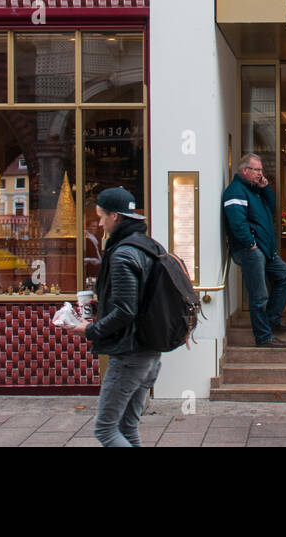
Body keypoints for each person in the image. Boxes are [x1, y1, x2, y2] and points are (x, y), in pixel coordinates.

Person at [70, 187, 161, 448]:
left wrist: (91, 330)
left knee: (106, 430)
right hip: (150, 352)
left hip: (129, 354)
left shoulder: (122, 254)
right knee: (127, 427)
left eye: (102, 216)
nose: (99, 223)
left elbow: (125, 310)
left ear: (116, 217)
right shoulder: (148, 245)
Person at [221, 154, 286, 348]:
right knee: (259, 295)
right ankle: (263, 336)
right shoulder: (236, 191)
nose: (261, 174)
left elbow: (271, 208)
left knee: (285, 275)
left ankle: (271, 320)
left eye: (261, 170)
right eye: (257, 170)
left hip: (263, 249)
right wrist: (251, 244)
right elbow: (237, 223)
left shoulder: (255, 190)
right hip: (250, 251)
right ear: (245, 170)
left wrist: (266, 187)